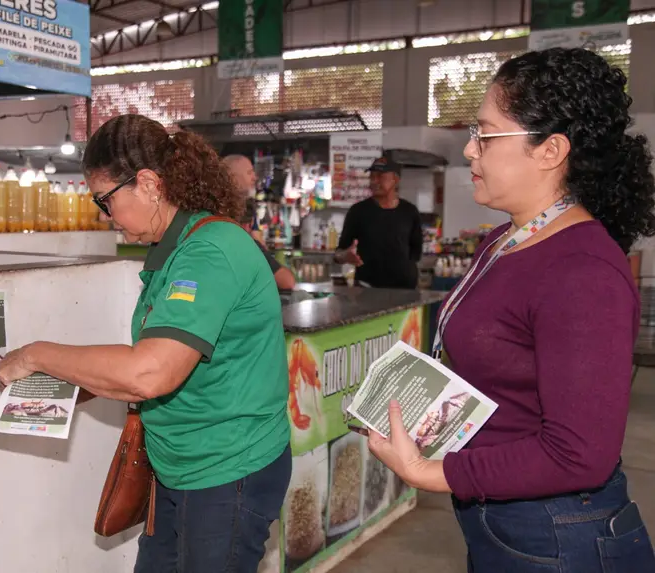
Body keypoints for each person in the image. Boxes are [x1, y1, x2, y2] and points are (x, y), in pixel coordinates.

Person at [354, 48, 655, 572]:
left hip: (559, 536)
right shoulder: (505, 239)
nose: (471, 151)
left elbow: (579, 453)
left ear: (550, 150)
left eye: (486, 136)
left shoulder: (582, 270)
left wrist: (431, 472)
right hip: (504, 521)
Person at [0, 114, 292, 573]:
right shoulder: (174, 248)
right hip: (180, 467)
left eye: (105, 199)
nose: (104, 214)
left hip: (227, 471)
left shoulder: (209, 252)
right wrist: (72, 381)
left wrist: (36, 354)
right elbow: (162, 359)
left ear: (150, 183)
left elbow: (151, 372)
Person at [333, 153, 423, 289]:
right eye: (372, 177)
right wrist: (345, 256)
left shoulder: (410, 211)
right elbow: (338, 254)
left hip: (405, 291)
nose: (374, 181)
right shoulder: (358, 211)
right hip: (367, 290)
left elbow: (416, 252)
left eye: (380, 177)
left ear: (395, 180)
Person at [223, 153, 297, 290]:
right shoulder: (223, 219)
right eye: (249, 172)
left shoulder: (248, 210)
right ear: (232, 177)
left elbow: (259, 244)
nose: (254, 177)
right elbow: (287, 282)